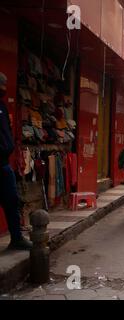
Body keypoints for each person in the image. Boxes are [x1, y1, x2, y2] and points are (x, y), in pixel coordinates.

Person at [0, 72, 32, 250]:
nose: (4, 89)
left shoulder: (2, 107)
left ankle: (16, 238)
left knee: (12, 201)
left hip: (4, 164)